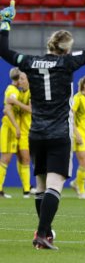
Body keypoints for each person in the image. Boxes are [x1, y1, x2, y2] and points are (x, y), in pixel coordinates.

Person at [0, 0, 85, 249]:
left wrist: (5, 22)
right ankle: (40, 233)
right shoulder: (68, 62)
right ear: (67, 49)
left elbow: (3, 51)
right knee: (54, 185)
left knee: (40, 187)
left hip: (36, 133)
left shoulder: (28, 62)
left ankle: (45, 233)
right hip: (59, 133)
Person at [6, 70, 36, 198]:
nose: (20, 81)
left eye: (23, 79)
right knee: (21, 158)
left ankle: (28, 189)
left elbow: (30, 109)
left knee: (26, 159)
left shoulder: (32, 92)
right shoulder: (17, 92)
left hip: (30, 130)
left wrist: (15, 103)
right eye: (20, 79)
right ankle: (26, 189)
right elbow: (8, 107)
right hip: (20, 130)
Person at [0, 68, 23, 198]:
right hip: (9, 128)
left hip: (10, 128)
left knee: (7, 159)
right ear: (18, 79)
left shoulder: (12, 90)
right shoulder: (13, 91)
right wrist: (16, 127)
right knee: (5, 158)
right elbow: (7, 110)